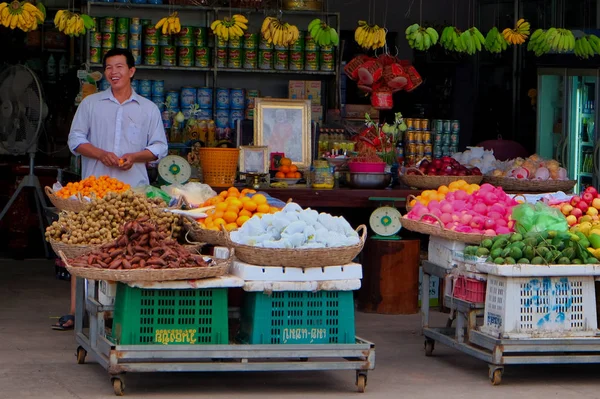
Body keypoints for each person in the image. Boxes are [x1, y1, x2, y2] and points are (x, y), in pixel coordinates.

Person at [52, 48, 168, 330]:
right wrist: (99, 153)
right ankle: (76, 312)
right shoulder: (91, 104)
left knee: (132, 251)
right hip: (94, 191)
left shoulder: (148, 108)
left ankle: (121, 313)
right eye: (108, 67)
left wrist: (135, 157)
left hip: (133, 194)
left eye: (119, 66)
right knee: (84, 247)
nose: (113, 72)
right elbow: (75, 140)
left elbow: (159, 148)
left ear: (132, 71)